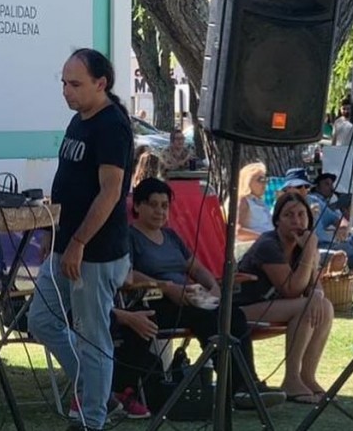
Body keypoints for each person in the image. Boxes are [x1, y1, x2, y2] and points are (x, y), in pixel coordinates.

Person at [112, 178, 285, 414]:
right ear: (137, 206)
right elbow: (127, 275)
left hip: (188, 298)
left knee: (233, 316)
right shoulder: (129, 237)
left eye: (164, 205)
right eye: (153, 205)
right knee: (208, 319)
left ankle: (245, 384)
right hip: (154, 301)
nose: (160, 211)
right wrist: (167, 287)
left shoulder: (171, 237)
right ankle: (236, 387)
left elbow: (197, 268)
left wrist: (213, 288)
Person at [28, 48, 134, 431]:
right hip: (65, 242)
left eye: (75, 84)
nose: (66, 91)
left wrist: (78, 242)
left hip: (95, 251)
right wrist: (52, 231)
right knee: (41, 320)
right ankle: (96, 391)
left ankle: (92, 418)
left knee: (92, 335)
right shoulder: (79, 120)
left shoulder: (111, 125)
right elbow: (68, 182)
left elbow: (111, 192)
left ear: (100, 83)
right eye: (63, 83)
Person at [235, 192, 334, 404]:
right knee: (305, 306)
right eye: (288, 215)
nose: (296, 221)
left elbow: (314, 283)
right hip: (242, 309)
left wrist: (317, 294)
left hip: (273, 306)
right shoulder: (268, 245)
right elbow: (291, 289)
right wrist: (309, 251)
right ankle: (291, 379)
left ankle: (307, 377)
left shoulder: (303, 244)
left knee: (325, 306)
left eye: (301, 214)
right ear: (277, 220)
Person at [235, 162, 272, 241]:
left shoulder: (260, 202)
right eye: (261, 180)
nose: (264, 183)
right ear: (248, 181)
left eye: (265, 179)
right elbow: (237, 231)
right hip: (256, 245)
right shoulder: (244, 201)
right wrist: (263, 237)